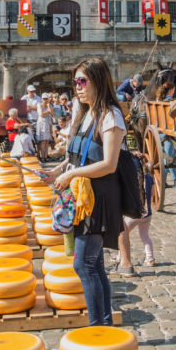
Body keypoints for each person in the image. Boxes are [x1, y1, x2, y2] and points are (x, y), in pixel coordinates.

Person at [52, 59, 125, 326]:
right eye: (75, 82)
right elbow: (78, 155)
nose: (77, 88)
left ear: (98, 82)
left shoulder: (110, 115)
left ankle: (98, 328)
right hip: (82, 195)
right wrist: (58, 170)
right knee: (94, 265)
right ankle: (103, 324)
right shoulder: (86, 113)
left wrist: (71, 174)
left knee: (83, 264)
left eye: (82, 82)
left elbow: (109, 163)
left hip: (99, 197)